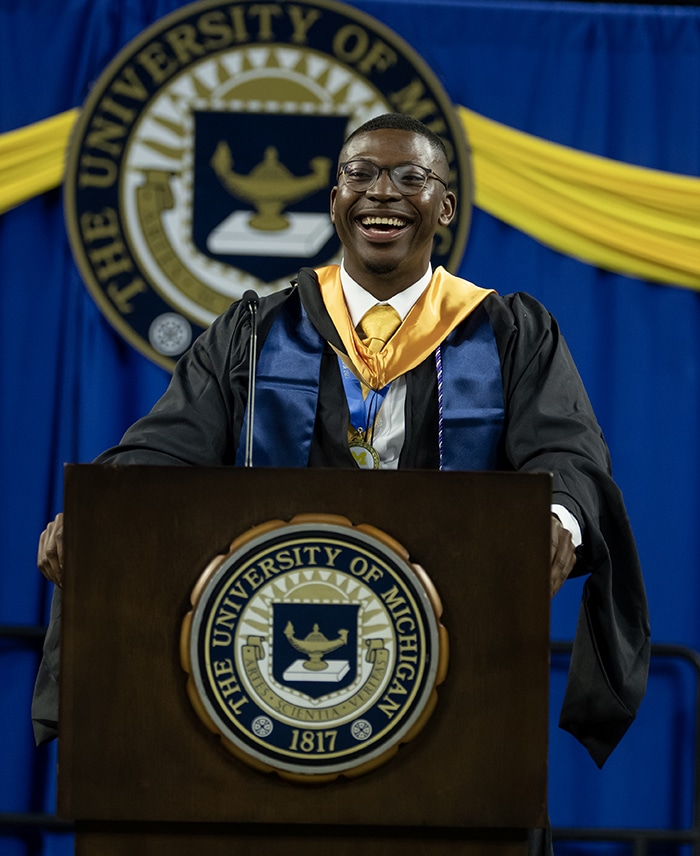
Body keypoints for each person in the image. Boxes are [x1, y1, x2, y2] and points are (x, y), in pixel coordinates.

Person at [35, 114, 650, 816]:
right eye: (360, 175)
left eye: (410, 178)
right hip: (262, 676)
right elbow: (162, 449)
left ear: (444, 206)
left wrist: (556, 519)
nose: (381, 193)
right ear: (334, 202)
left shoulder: (508, 333)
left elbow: (570, 453)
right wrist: (97, 513)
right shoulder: (258, 332)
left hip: (455, 681)